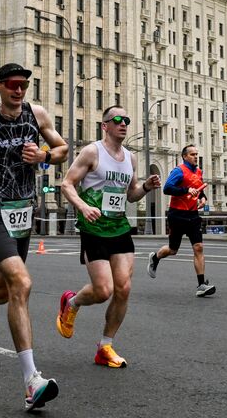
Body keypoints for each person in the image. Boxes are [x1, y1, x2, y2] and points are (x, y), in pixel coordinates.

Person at [0, 62, 69, 412]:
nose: (19, 91)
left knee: (2, 291)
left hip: (23, 213)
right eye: (13, 85)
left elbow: (63, 148)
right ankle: (31, 381)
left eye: (24, 85)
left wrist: (44, 155)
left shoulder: (37, 114)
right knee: (21, 284)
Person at [55, 105, 161, 368]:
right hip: (94, 229)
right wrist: (83, 207)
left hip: (119, 228)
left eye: (126, 119)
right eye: (117, 119)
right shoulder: (92, 152)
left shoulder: (130, 158)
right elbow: (67, 184)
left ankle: (105, 346)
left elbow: (131, 194)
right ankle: (72, 302)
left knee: (123, 289)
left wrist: (146, 187)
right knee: (104, 290)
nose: (123, 123)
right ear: (105, 125)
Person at [147, 144, 215, 297]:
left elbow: (200, 190)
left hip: (193, 215)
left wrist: (203, 198)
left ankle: (201, 285)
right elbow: (167, 189)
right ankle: (155, 257)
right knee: (173, 250)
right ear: (185, 156)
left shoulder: (198, 172)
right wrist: (185, 190)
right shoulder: (178, 171)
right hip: (177, 215)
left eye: (196, 154)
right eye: (192, 154)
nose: (195, 157)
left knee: (198, 248)